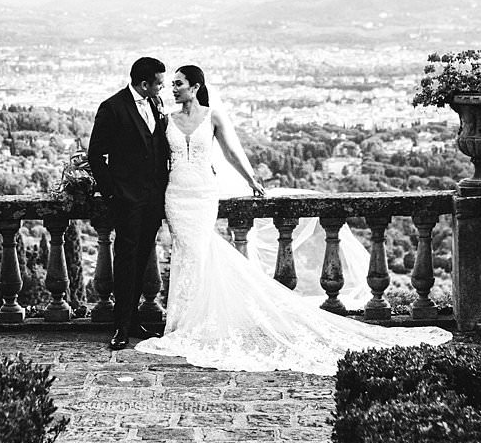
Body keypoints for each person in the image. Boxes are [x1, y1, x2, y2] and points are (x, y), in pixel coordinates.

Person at [135, 64, 452, 374]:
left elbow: (231, 152)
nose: (173, 88)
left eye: (178, 83)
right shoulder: (167, 119)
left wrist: (251, 179)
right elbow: (154, 159)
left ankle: (199, 321)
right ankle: (184, 321)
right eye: (172, 84)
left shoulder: (212, 116)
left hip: (203, 194)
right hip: (176, 195)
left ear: (195, 86)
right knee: (186, 255)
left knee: (201, 253)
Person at [87, 56, 170, 350]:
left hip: (153, 199)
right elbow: (95, 155)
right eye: (159, 83)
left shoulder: (156, 104)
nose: (162, 88)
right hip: (126, 199)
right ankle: (120, 326)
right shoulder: (112, 107)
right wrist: (112, 194)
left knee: (141, 258)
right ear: (144, 84)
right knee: (125, 261)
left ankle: (133, 320)